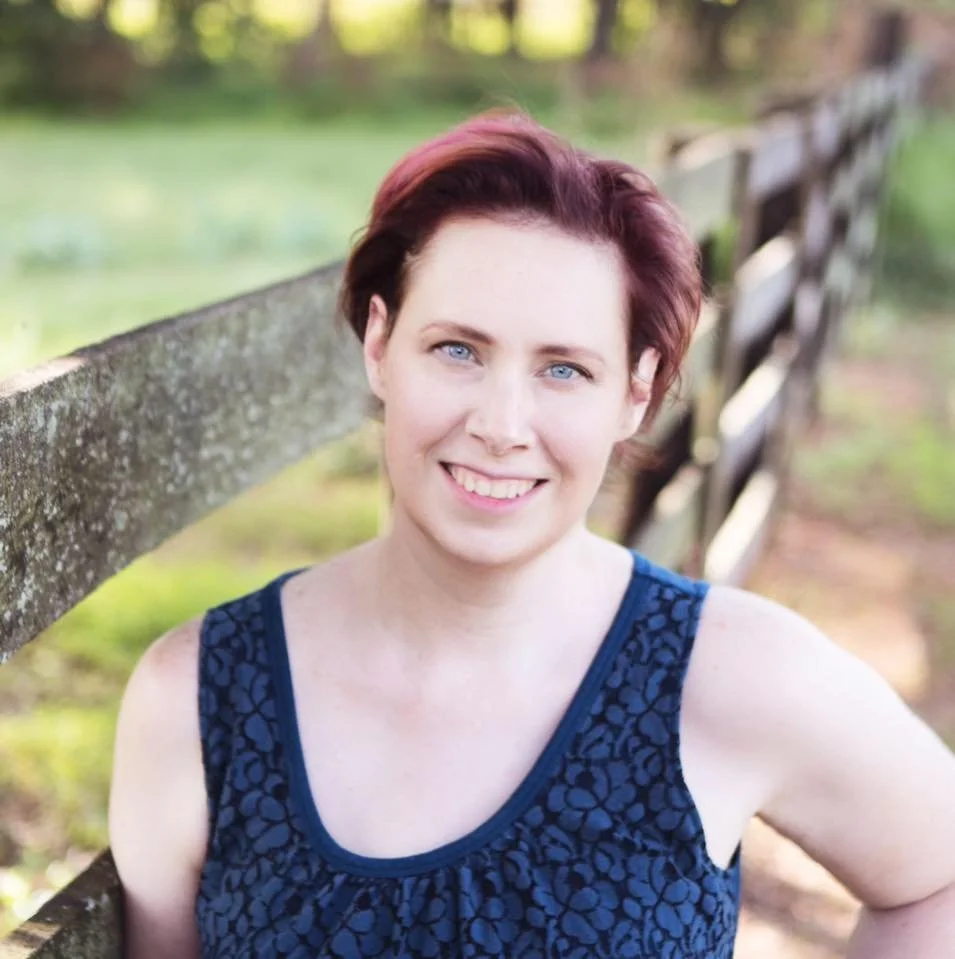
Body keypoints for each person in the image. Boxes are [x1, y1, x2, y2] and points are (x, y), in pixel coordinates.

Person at [108, 109, 955, 959]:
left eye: (563, 369)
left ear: (634, 391)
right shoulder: (199, 697)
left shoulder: (728, 675)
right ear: (380, 343)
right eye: (457, 350)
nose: (502, 425)